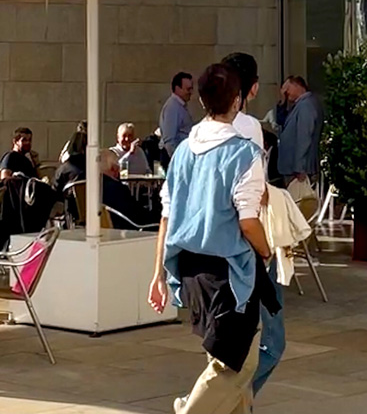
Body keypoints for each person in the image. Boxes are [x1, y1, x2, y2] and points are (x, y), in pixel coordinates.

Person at [149, 63, 279, 414]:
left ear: (202, 100)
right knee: (238, 365)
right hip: (229, 273)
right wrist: (267, 251)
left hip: (192, 271)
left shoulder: (183, 153)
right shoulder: (244, 153)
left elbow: (167, 215)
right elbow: (248, 221)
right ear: (237, 100)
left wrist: (158, 273)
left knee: (225, 360)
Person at [221, 51, 285, 398]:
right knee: (271, 342)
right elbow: (251, 204)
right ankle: (228, 403)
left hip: (214, 252)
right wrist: (266, 249)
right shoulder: (247, 129)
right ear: (254, 88)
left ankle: (228, 402)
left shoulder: (198, 136)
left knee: (226, 346)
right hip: (247, 247)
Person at [277, 76, 322, 186]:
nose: (286, 92)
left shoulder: (306, 106)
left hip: (298, 169)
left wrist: (299, 168)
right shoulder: (298, 105)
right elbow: (281, 121)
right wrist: (283, 102)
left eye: (288, 88)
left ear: (297, 86)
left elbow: (304, 137)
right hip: (292, 167)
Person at [98, 150, 158, 229]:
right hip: (127, 230)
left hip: (102, 229)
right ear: (114, 168)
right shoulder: (118, 190)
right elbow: (137, 216)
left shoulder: (88, 187)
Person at [159, 71, 195, 160]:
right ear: (177, 89)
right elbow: (169, 140)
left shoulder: (180, 106)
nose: (191, 92)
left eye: (191, 89)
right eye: (188, 89)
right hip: (174, 157)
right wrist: (177, 161)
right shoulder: (172, 107)